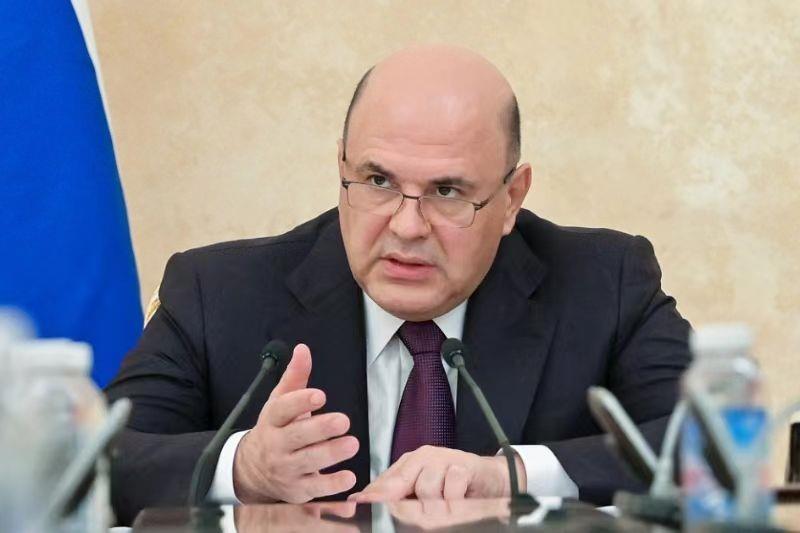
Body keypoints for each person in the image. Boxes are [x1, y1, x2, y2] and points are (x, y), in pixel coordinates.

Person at [106, 44, 691, 525]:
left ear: (512, 198)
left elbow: (708, 446)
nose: (407, 227)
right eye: (378, 181)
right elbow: (99, 460)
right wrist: (243, 468)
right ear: (342, 167)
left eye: (447, 192)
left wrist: (511, 475)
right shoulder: (218, 293)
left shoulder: (603, 282)